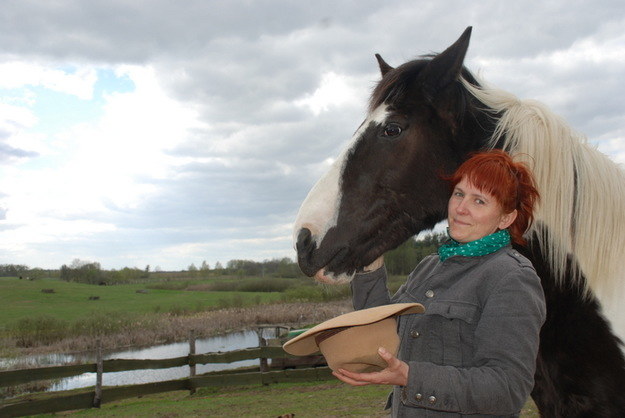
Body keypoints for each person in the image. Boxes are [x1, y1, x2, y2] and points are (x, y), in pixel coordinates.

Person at [332, 150, 546, 417]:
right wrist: (369, 264)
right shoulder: (430, 267)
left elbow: (506, 389)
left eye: (479, 201)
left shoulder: (511, 278)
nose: (461, 208)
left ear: (506, 218)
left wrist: (410, 376)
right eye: (459, 193)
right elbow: (381, 329)